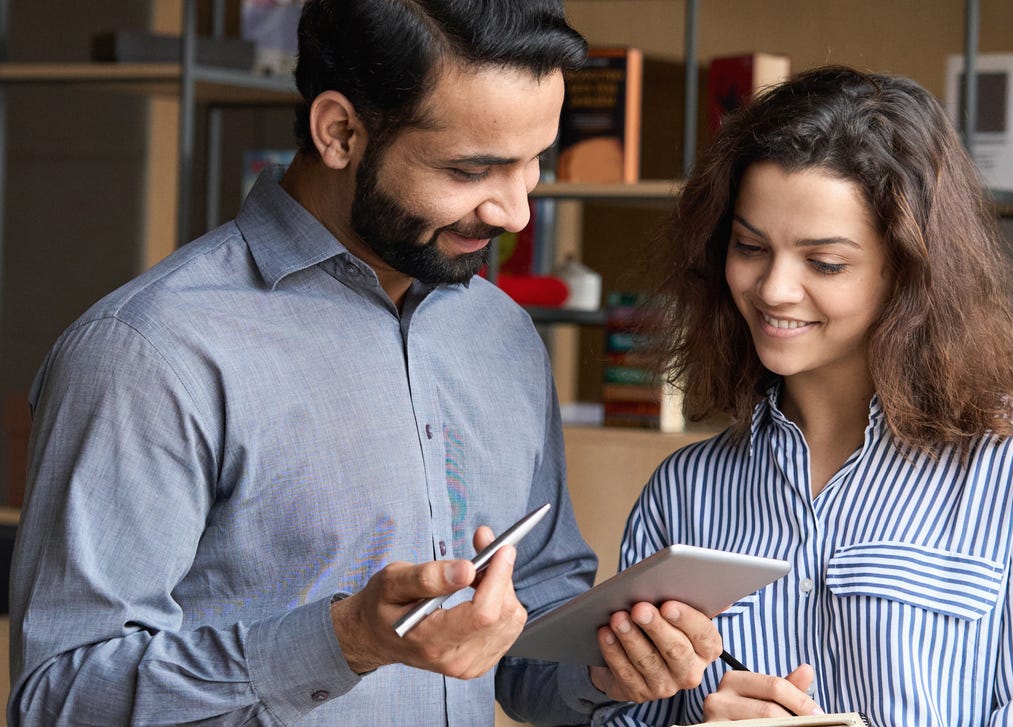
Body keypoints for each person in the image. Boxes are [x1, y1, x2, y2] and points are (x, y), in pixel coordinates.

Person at [7, 1, 722, 724]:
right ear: (340, 132)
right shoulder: (149, 352)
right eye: (474, 168)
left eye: (534, 161)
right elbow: (57, 699)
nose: (516, 212)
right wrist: (345, 639)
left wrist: (615, 664)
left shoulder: (501, 335)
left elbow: (524, 656)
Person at [596, 66, 1013, 726]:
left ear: (907, 269)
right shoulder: (684, 494)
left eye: (825, 262)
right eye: (751, 247)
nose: (775, 288)